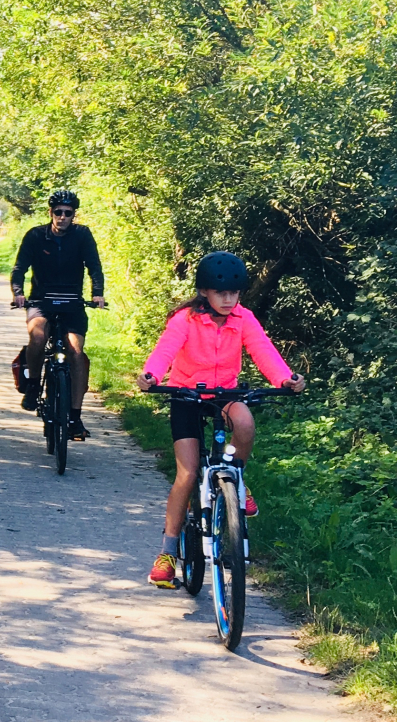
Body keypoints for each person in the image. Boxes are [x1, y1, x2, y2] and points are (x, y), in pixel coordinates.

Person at [135, 252, 306, 588]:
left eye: (235, 293)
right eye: (220, 293)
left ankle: (235, 479)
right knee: (186, 474)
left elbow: (263, 350)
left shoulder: (244, 319)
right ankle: (167, 554)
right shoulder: (185, 319)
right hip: (187, 396)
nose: (229, 300)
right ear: (204, 292)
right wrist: (152, 375)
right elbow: (165, 351)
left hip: (224, 393)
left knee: (245, 425)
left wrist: (284, 379)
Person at [9, 190, 106, 440]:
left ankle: (74, 416)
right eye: (58, 212)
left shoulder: (82, 235)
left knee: (75, 351)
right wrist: (18, 293)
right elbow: (19, 268)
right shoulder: (35, 236)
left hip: (72, 302)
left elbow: (94, 267)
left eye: (68, 213)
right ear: (50, 213)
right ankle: (32, 385)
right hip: (42, 299)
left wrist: (97, 294)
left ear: (74, 214)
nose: (62, 217)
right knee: (38, 337)